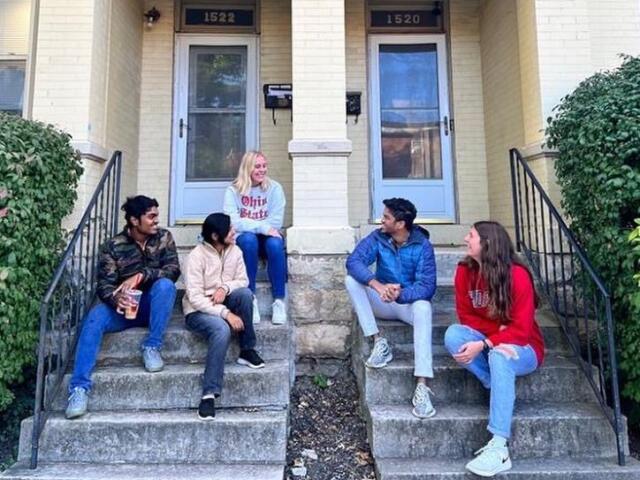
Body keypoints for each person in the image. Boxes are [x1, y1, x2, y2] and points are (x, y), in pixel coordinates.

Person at [444, 221, 545, 477]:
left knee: (500, 356)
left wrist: (488, 343)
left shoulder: (518, 276)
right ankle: (496, 382)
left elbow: (521, 330)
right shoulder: (464, 271)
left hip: (525, 348)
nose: (466, 239)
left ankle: (499, 448)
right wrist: (497, 331)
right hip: (495, 338)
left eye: (472, 235)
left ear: (487, 243)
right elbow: (465, 317)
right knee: (453, 335)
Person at [65, 196, 180, 419]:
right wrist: (116, 300)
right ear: (135, 220)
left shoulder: (164, 237)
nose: (157, 221)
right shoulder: (113, 246)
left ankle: (152, 346)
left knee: (165, 286)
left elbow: (173, 270)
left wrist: (143, 274)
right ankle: (79, 389)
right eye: (151, 216)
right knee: (94, 317)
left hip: (152, 306)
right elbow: (104, 285)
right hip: (124, 310)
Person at [345, 198, 437, 419]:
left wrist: (401, 294)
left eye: (386, 217)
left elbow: (427, 286)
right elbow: (354, 261)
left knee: (424, 307)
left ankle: (422, 385)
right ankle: (379, 341)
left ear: (400, 224)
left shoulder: (422, 245)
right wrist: (378, 286)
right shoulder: (378, 237)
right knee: (351, 280)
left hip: (406, 304)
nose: (381, 220)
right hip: (383, 301)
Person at [182, 213, 265, 420]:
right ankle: (209, 394)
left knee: (245, 295)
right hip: (198, 312)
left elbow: (243, 281)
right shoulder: (195, 257)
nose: (234, 232)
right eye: (230, 230)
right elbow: (195, 298)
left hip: (223, 299)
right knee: (221, 328)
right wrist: (225, 314)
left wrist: (224, 287)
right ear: (215, 235)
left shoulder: (235, 251)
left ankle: (247, 349)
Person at [223, 151, 287, 325]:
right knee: (249, 240)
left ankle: (279, 301)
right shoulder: (233, 191)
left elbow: (276, 222)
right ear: (247, 168)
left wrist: (256, 226)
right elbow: (233, 222)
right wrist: (262, 227)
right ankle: (251, 299)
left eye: (264, 166)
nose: (262, 170)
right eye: (257, 166)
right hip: (247, 239)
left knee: (275, 244)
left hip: (268, 239)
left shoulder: (275, 189)